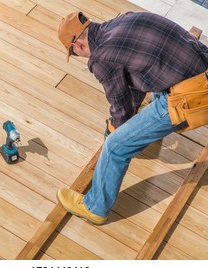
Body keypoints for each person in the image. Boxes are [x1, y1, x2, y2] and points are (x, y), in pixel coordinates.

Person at [56, 11, 208, 225]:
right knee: (149, 93)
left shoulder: (101, 58)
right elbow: (134, 80)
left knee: (115, 147)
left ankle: (95, 207)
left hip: (193, 96)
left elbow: (121, 105)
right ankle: (150, 134)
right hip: (199, 66)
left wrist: (114, 129)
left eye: (75, 54)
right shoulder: (123, 19)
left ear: (77, 46)